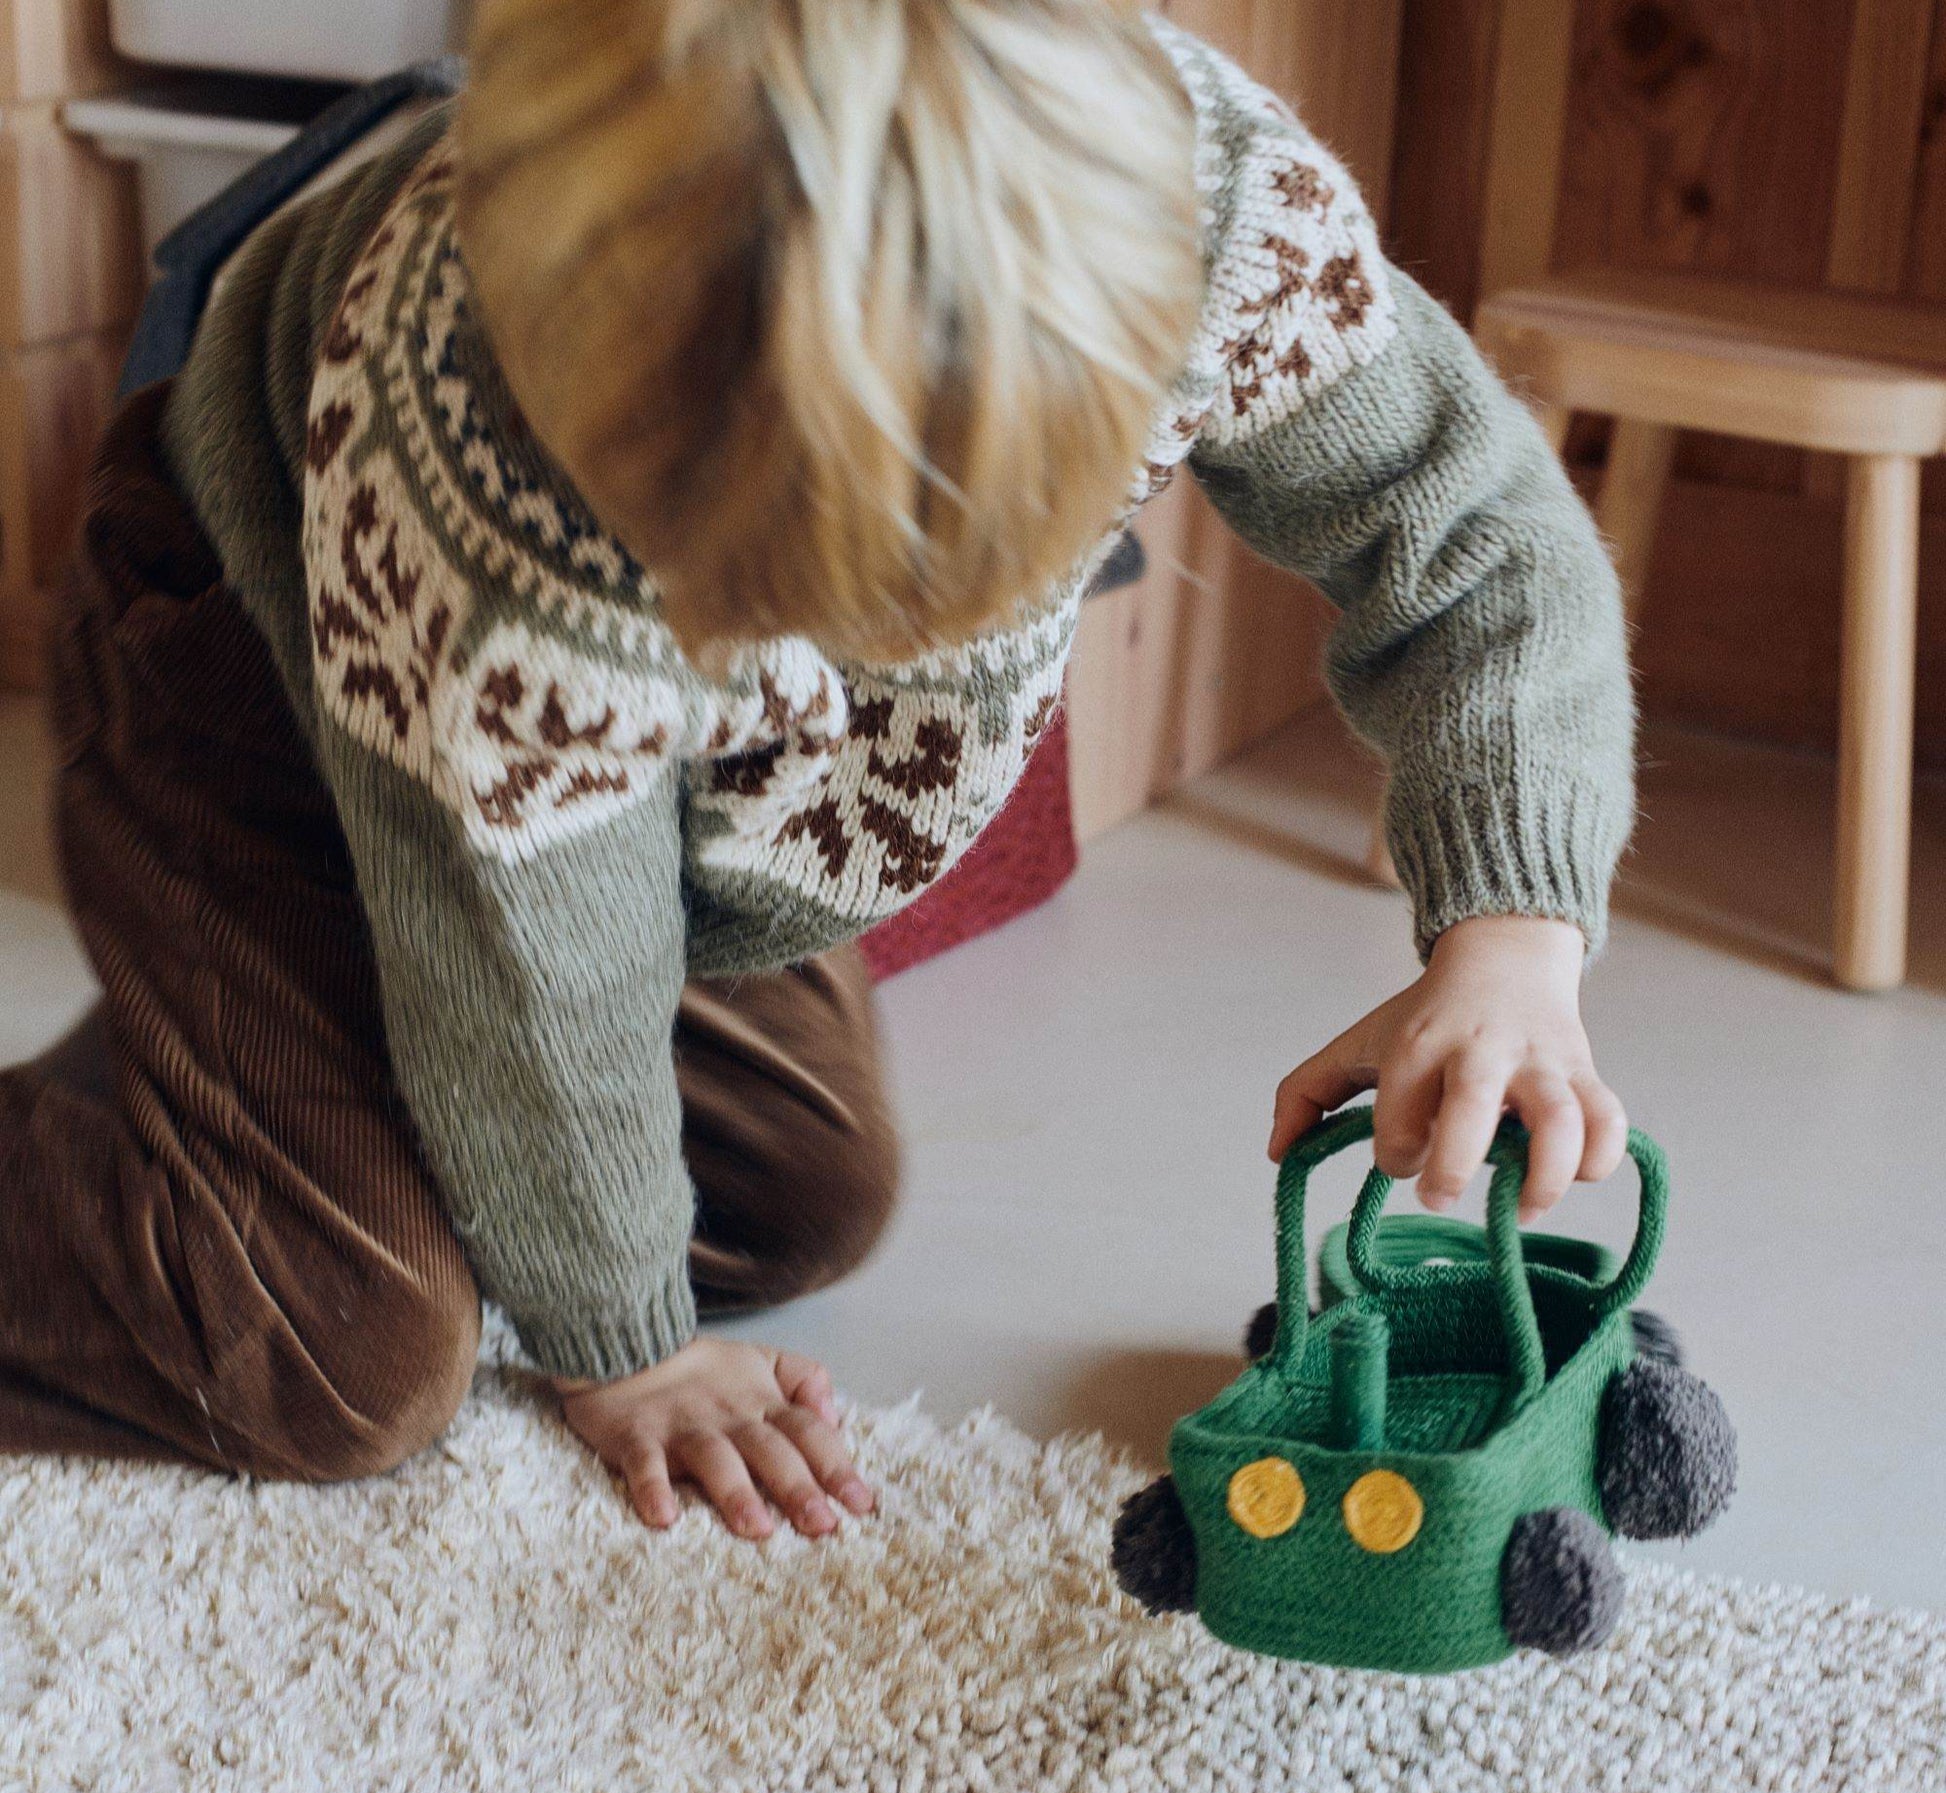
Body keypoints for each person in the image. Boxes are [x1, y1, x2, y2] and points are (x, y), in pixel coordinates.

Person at [0, 0, 1633, 1540]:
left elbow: (1475, 536)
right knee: (340, 1351)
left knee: (800, 1196)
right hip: (257, 686)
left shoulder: (1205, 213)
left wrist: (1508, 938)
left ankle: (256, 1063)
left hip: (642, 805)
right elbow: (533, 975)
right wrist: (620, 1347)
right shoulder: (499, 489)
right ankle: (226, 1054)